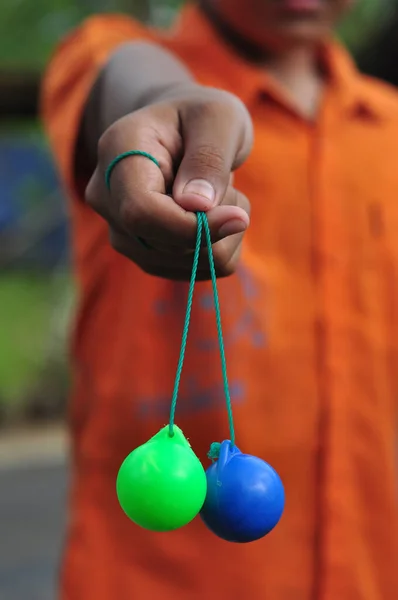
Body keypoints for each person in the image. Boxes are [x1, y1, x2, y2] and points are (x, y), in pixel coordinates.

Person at [41, 1, 398, 599]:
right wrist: (170, 111)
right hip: (156, 584)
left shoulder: (388, 130)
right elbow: (128, 79)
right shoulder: (105, 54)